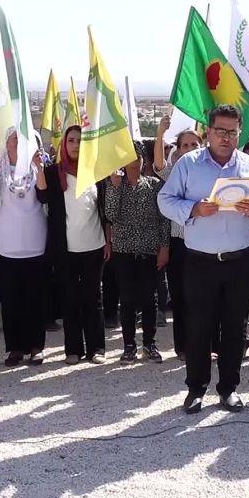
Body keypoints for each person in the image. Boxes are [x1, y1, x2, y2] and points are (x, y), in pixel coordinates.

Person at [158, 105, 249, 414]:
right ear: (208, 131)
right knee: (199, 326)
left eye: (232, 132)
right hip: (200, 261)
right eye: (220, 131)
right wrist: (193, 209)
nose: (226, 137)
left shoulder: (248, 166)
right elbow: (165, 200)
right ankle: (196, 389)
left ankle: (229, 389)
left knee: (235, 327)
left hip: (239, 260)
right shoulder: (189, 165)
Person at [0, 128, 49, 367]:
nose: (18, 142)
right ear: (6, 144)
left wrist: (38, 168)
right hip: (7, 244)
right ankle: (15, 348)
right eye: (13, 138)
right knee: (10, 300)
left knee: (36, 299)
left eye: (23, 139)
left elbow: (45, 196)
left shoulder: (37, 167)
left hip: (34, 242)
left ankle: (36, 347)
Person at [43, 126, 110, 365]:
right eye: (71, 140)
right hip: (65, 249)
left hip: (94, 245)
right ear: (65, 144)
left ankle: (97, 349)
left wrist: (108, 240)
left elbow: (105, 210)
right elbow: (42, 197)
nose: (75, 145)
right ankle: (73, 349)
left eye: (80, 141)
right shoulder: (53, 173)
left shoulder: (96, 172)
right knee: (70, 299)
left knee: (93, 299)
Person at [105, 143, 171, 363]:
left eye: (139, 157)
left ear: (144, 161)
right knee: (127, 299)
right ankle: (129, 346)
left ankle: (149, 345)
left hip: (149, 250)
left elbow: (164, 220)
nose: (135, 162)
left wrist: (164, 247)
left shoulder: (154, 185)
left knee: (149, 299)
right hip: (124, 250)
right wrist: (114, 188)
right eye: (130, 157)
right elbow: (111, 215)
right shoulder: (116, 184)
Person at [153, 116, 203, 360]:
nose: (191, 149)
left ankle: (204, 344)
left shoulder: (209, 172)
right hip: (179, 244)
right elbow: (159, 166)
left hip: (205, 244)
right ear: (178, 149)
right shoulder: (173, 173)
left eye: (195, 145)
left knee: (203, 297)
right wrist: (160, 133)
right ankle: (182, 347)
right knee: (181, 296)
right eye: (186, 145)